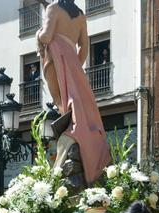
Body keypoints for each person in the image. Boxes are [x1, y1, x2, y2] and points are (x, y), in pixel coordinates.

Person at [36, 0, 110, 184]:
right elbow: (84, 47)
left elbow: (46, 37)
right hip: (72, 63)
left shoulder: (53, 8)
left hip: (55, 59)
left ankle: (70, 129)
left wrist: (38, 34)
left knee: (61, 101)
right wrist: (74, 64)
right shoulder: (81, 16)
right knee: (77, 100)